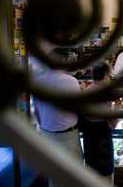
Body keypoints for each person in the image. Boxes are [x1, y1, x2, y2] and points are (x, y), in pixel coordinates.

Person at [33, 48, 83, 187]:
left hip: (47, 134)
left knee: (53, 176)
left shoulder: (37, 81)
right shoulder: (71, 81)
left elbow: (36, 111)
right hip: (68, 136)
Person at [80, 63, 116, 185]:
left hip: (88, 138)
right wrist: (117, 107)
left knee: (91, 171)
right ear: (105, 76)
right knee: (106, 175)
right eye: (110, 76)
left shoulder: (87, 90)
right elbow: (113, 124)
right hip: (102, 140)